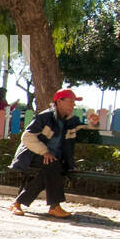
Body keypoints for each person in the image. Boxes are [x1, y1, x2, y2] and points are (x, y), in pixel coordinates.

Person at [9, 88, 84, 218]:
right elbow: (27, 137)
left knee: (51, 169)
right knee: (54, 165)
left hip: (51, 159)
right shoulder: (46, 117)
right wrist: (44, 152)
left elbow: (86, 129)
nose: (73, 105)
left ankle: (18, 203)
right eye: (70, 101)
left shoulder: (71, 120)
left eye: (74, 102)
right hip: (32, 155)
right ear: (59, 102)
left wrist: (95, 123)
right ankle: (55, 206)